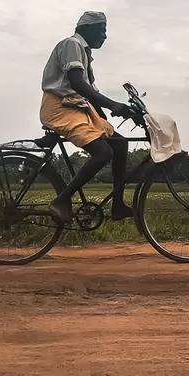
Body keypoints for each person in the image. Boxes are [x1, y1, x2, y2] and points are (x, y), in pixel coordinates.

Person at [39, 11, 135, 223]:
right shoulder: (72, 44)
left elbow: (88, 94)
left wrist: (106, 121)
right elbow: (77, 84)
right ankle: (62, 200)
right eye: (102, 30)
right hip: (60, 108)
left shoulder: (83, 53)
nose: (105, 36)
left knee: (119, 143)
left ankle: (117, 205)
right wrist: (112, 104)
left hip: (75, 107)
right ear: (86, 29)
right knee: (102, 152)